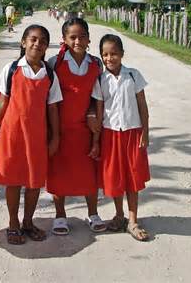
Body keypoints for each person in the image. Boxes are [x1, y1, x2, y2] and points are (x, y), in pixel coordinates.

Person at [0, 24, 62, 245]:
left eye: (42, 41)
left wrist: (55, 138)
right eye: (33, 39)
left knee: (34, 182)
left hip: (37, 137)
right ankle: (13, 222)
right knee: (13, 181)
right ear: (23, 42)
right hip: (12, 135)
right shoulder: (12, 69)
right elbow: (2, 102)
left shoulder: (49, 74)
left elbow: (53, 108)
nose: (37, 43)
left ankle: (28, 221)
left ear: (46, 47)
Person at [47, 18, 107, 235]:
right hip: (60, 129)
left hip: (86, 129)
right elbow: (48, 99)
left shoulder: (96, 63)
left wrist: (93, 113)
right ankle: (60, 215)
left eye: (82, 36)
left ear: (89, 38)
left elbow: (98, 95)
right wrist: (50, 133)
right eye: (72, 37)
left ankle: (93, 213)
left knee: (89, 172)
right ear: (64, 39)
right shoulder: (54, 63)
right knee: (58, 172)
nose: (78, 40)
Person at [94, 34, 150, 241]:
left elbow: (142, 105)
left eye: (114, 54)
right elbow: (99, 111)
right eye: (105, 55)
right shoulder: (100, 80)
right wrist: (97, 139)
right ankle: (119, 215)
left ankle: (133, 219)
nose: (110, 58)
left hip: (132, 133)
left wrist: (146, 131)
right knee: (115, 177)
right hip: (110, 135)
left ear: (122, 54)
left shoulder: (133, 76)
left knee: (132, 178)